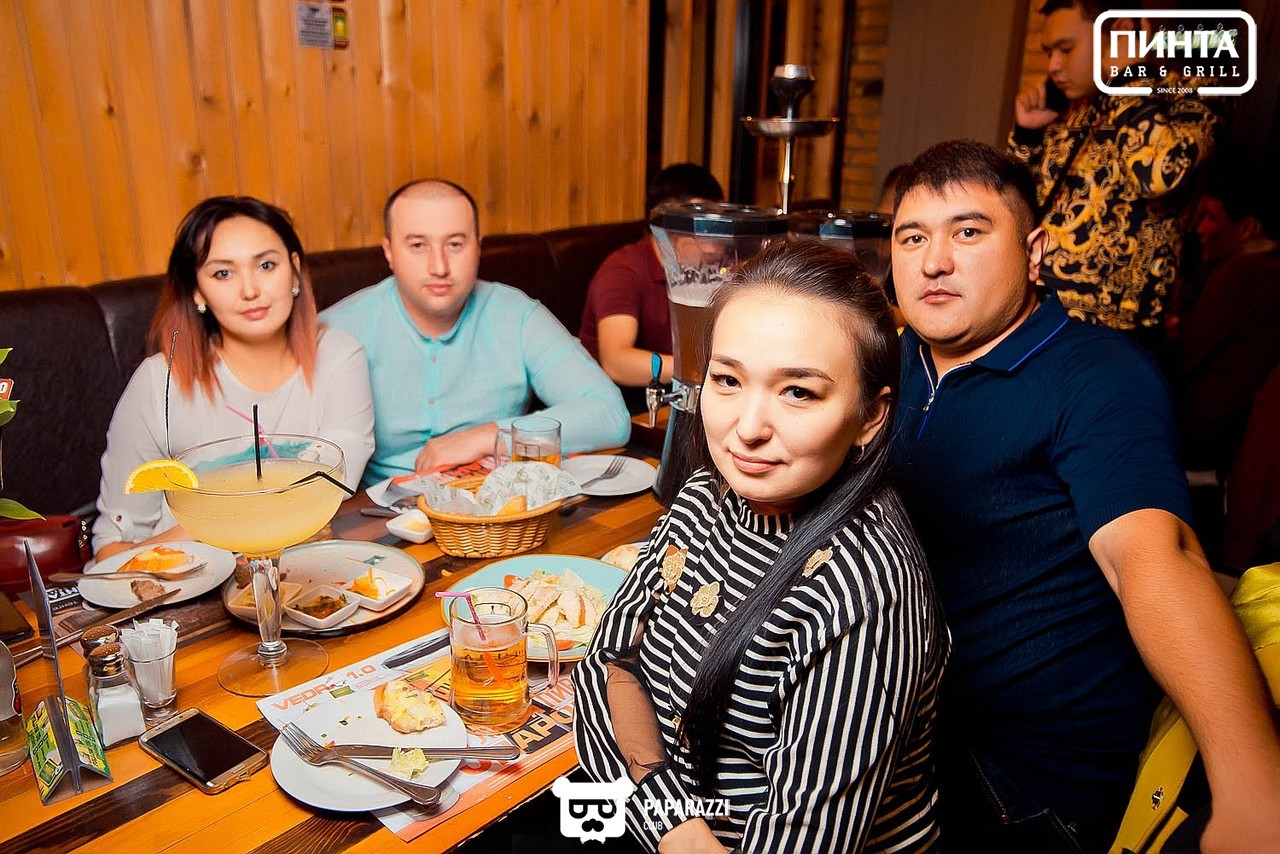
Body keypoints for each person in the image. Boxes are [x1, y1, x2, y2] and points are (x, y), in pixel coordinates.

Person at [887, 139, 1280, 851]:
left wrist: (1252, 785)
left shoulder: (1098, 376)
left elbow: (1154, 558)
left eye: (968, 232)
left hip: (1016, 785)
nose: (933, 261)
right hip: (902, 734)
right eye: (912, 238)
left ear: (1034, 251)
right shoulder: (896, 359)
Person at [574, 241, 949, 852]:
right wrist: (671, 821)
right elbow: (607, 666)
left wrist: (661, 813)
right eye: (727, 380)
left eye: (798, 392)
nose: (746, 429)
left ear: (870, 416)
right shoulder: (706, 494)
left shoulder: (864, 589)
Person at [93, 197, 375, 558]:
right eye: (223, 273)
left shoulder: (339, 357)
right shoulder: (157, 381)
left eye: (266, 265)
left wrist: (217, 516)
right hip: (187, 580)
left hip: (300, 569)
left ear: (294, 271)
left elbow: (332, 482)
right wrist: (205, 528)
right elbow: (111, 550)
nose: (250, 290)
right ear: (197, 290)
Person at [321, 179, 630, 485]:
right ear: (389, 252)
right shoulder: (338, 329)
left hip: (501, 501)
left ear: (478, 248)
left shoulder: (518, 315)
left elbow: (610, 414)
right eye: (418, 246)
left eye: (455, 244)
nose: (439, 266)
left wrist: (488, 436)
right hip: (381, 509)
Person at [1009, 0, 1223, 349]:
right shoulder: (1071, 108)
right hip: (1031, 320)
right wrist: (1027, 137)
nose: (1054, 66)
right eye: (1049, 52)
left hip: (1113, 340)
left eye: (1066, 49)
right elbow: (1012, 206)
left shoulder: (1192, 95)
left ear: (1122, 31)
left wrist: (1128, 81)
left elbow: (1157, 175)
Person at [579, 163, 723, 399]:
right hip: (622, 403)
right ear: (665, 226)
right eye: (703, 229)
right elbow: (617, 362)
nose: (713, 246)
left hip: (678, 394)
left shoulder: (707, 267)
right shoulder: (623, 270)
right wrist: (705, 370)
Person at [1176, 152, 1280, 475]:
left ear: (1247, 228)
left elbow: (1184, 356)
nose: (1200, 229)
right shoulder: (1269, 273)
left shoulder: (1243, 274)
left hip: (1196, 439)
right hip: (1226, 442)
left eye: (1211, 217)